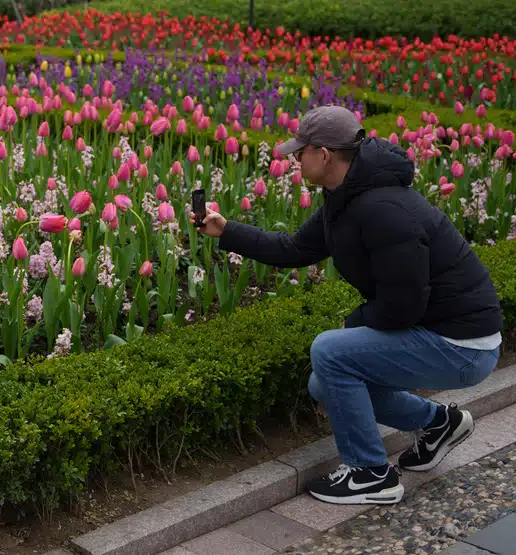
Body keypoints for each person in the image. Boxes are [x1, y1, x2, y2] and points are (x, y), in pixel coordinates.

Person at [191, 105, 502, 506]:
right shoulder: (346, 197)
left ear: (323, 155)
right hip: (440, 330)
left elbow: (404, 304)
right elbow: (295, 248)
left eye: (300, 150)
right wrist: (226, 230)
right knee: (325, 382)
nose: (293, 158)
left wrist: (350, 324)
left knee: (330, 351)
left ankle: (370, 474)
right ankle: (440, 423)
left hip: (464, 345)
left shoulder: (381, 210)